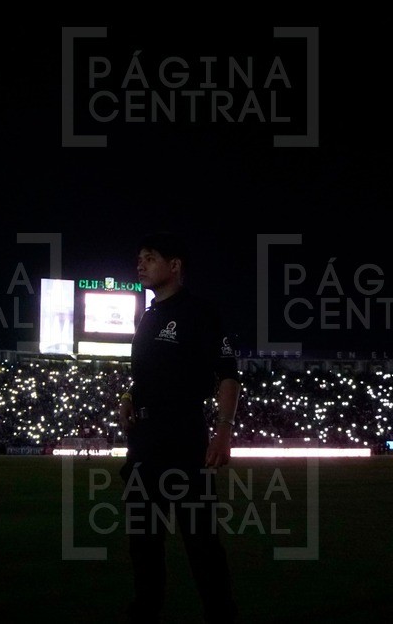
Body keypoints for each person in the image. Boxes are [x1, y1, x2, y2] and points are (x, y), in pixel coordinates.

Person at [119, 232, 239, 623]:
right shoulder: (148, 316)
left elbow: (228, 375)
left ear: (175, 266)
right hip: (144, 443)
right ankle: (146, 610)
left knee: (200, 541)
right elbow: (148, 375)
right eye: (139, 258)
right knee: (142, 540)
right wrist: (130, 398)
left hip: (183, 436)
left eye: (150, 257)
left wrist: (223, 431)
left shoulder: (200, 313)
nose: (140, 264)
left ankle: (220, 615)